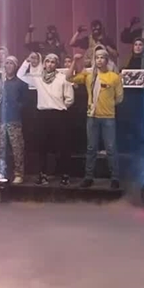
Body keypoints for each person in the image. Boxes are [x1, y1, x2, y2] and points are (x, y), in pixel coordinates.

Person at [17, 51, 75, 186]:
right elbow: (20, 75)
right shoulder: (38, 78)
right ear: (44, 63)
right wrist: (27, 61)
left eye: (53, 62)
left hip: (58, 115)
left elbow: (70, 98)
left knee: (62, 146)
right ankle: (42, 175)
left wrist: (59, 106)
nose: (49, 64)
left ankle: (65, 175)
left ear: (56, 64)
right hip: (42, 115)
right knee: (42, 146)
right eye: (47, 61)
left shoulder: (62, 78)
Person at [69, 46, 124, 189]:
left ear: (107, 60)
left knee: (111, 148)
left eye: (102, 58)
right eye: (97, 57)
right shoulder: (89, 75)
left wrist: (107, 105)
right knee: (91, 148)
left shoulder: (114, 77)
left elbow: (119, 98)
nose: (99, 60)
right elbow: (69, 78)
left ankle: (115, 178)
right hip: (92, 117)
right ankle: (88, 177)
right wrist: (74, 62)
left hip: (108, 117)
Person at [0, 55, 27, 183]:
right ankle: (1, 173)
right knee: (0, 148)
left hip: (14, 120)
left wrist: (16, 107)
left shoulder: (20, 83)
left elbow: (25, 102)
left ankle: (19, 174)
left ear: (15, 66)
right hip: (0, 120)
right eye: (7, 63)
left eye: (11, 63)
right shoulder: (0, 82)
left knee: (17, 148)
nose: (9, 66)